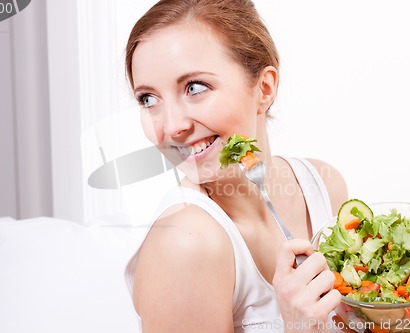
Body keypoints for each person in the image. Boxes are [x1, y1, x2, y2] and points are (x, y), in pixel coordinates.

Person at [124, 1, 348, 332]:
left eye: (194, 87)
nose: (171, 128)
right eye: (148, 99)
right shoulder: (185, 243)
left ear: (264, 89)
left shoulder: (323, 186)